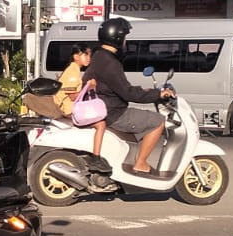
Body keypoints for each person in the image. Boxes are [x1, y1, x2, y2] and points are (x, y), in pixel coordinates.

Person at [84, 17, 173, 175]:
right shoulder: (110, 63)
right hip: (114, 113)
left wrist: (144, 91)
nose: (126, 41)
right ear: (117, 38)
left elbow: (118, 87)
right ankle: (140, 163)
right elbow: (127, 93)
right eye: (124, 37)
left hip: (105, 108)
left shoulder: (99, 57)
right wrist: (157, 94)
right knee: (158, 121)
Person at [54, 42, 107, 156]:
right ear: (76, 57)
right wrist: (89, 87)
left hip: (70, 109)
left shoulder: (74, 69)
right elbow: (72, 96)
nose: (89, 58)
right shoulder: (73, 71)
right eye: (85, 55)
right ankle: (96, 157)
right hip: (69, 110)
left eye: (89, 55)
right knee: (101, 124)